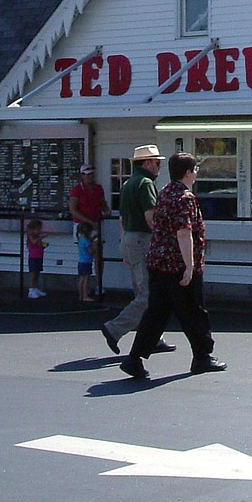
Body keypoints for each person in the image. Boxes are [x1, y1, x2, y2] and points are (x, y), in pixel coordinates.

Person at [120, 152, 226, 379]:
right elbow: (184, 232)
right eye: (195, 169)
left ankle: (134, 357)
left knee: (156, 313)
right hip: (177, 265)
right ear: (188, 172)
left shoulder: (165, 192)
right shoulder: (185, 198)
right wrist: (190, 266)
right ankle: (202, 357)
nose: (196, 173)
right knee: (194, 312)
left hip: (158, 262)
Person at [101, 145, 175, 356]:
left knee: (141, 291)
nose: (159, 166)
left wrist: (124, 243)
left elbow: (122, 217)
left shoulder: (127, 184)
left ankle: (153, 336)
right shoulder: (145, 184)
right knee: (149, 295)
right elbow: (150, 216)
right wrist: (164, 238)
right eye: (157, 162)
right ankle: (114, 329)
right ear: (147, 163)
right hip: (143, 239)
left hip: (129, 238)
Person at [69, 163, 111, 298]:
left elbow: (103, 203)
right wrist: (88, 221)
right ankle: (83, 289)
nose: (90, 177)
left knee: (98, 254)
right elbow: (73, 210)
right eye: (87, 174)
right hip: (83, 227)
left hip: (95, 225)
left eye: (92, 174)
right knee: (85, 255)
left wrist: (106, 211)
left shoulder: (98, 189)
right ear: (82, 175)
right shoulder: (77, 190)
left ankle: (99, 284)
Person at [26, 218, 49, 299]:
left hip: (39, 256)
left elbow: (38, 245)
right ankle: (31, 290)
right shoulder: (30, 235)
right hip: (33, 257)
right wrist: (41, 237)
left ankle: (36, 288)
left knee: (37, 273)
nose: (39, 231)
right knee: (33, 274)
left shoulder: (37, 236)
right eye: (38, 229)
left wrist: (43, 246)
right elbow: (34, 242)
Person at [76, 222, 96, 303]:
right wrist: (94, 246)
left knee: (81, 279)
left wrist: (93, 238)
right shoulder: (87, 241)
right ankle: (85, 296)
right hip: (87, 262)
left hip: (81, 261)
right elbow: (91, 251)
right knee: (86, 279)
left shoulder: (81, 239)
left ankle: (81, 295)